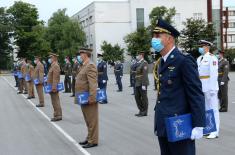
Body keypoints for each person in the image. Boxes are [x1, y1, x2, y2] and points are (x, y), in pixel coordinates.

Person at [152, 18, 205, 155]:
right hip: (163, 123)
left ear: (169, 39)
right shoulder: (161, 62)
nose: (154, 39)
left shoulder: (183, 60)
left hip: (179, 124)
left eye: (157, 36)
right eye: (153, 36)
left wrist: (199, 124)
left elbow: (196, 93)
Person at [75, 48, 98, 148]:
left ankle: (93, 140)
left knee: (92, 120)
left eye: (81, 54)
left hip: (89, 98)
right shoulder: (83, 66)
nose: (80, 56)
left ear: (86, 55)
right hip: (83, 97)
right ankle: (89, 137)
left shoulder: (90, 66)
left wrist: (92, 97)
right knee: (88, 120)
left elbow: (92, 83)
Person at [197, 40, 220, 139]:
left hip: (210, 87)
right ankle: (208, 129)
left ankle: (215, 131)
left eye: (202, 46)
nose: (200, 48)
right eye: (200, 46)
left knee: (213, 108)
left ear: (207, 47)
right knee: (205, 109)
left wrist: (212, 89)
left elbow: (214, 74)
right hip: (202, 86)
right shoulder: (199, 59)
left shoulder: (212, 58)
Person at [47, 52, 62, 121]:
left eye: (51, 57)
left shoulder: (55, 65)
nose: (49, 59)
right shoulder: (53, 65)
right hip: (51, 86)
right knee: (54, 101)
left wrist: (54, 87)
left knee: (55, 101)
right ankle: (56, 114)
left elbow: (56, 77)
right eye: (50, 57)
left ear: (54, 58)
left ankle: (58, 115)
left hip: (53, 87)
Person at [134, 51, 149, 117]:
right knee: (137, 97)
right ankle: (141, 110)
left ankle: (144, 112)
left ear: (141, 56)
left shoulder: (144, 63)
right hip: (137, 82)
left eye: (138, 55)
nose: (137, 56)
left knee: (144, 97)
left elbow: (145, 74)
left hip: (142, 82)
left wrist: (143, 84)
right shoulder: (138, 63)